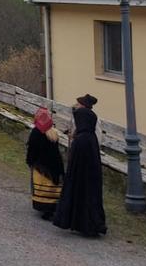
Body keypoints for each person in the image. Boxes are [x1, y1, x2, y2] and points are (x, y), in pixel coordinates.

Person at [52, 94, 107, 238]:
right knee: (85, 191)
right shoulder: (86, 131)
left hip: (85, 161)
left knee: (82, 189)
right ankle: (81, 221)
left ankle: (86, 222)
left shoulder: (89, 125)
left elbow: (97, 137)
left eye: (78, 104)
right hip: (87, 159)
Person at [26, 106, 64, 220]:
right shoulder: (53, 133)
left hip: (41, 166)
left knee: (43, 186)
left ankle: (45, 209)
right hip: (55, 164)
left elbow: (32, 149)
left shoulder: (36, 132)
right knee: (53, 186)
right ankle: (55, 207)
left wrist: (30, 161)